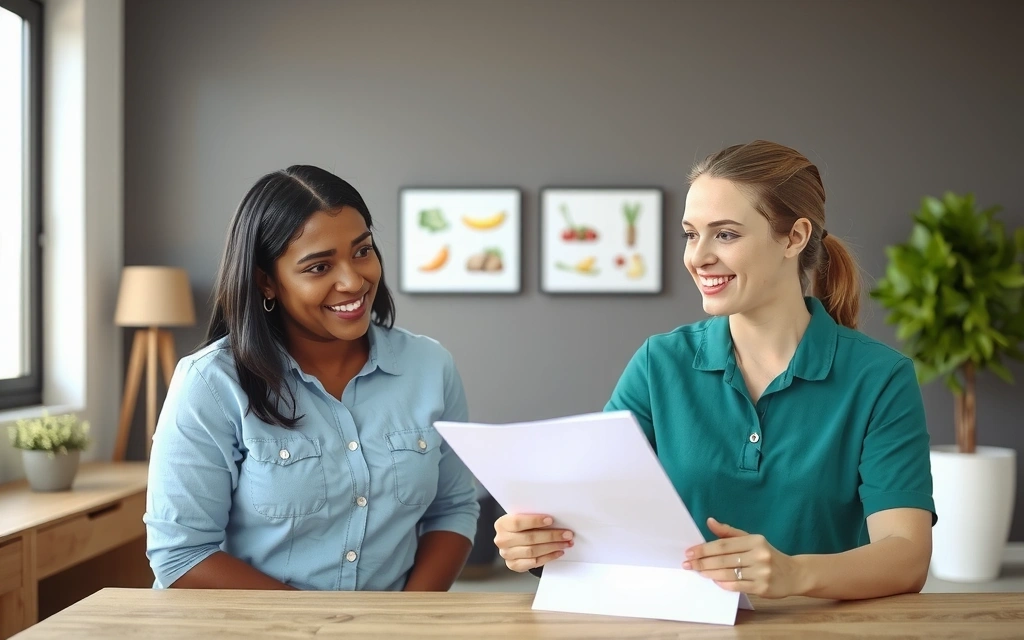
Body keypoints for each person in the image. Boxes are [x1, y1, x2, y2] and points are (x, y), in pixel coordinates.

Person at [494, 140, 936, 600]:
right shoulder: (657, 363)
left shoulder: (881, 378)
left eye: (725, 234)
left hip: (818, 628)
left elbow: (905, 554)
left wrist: (795, 574)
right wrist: (539, 543)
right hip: (677, 625)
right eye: (691, 233)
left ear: (794, 237)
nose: (698, 256)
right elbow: (598, 517)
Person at [145, 165, 479, 591]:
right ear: (267, 282)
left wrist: (403, 624)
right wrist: (325, 629)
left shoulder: (431, 366)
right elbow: (181, 554)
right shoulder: (211, 382)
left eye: (362, 251)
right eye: (319, 267)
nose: (353, 280)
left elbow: (453, 509)